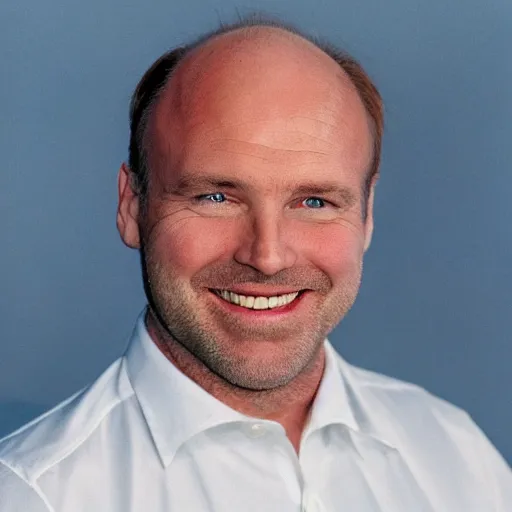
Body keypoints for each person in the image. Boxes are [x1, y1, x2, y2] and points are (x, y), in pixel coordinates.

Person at [0, 18, 510, 512]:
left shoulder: (456, 456)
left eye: (314, 202)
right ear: (133, 205)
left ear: (367, 214)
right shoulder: (34, 496)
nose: (267, 257)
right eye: (216, 196)